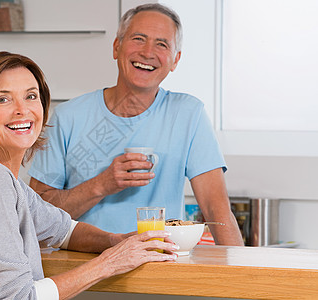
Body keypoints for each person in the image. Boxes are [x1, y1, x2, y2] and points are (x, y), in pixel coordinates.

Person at [0, 51, 179, 300]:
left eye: (31, 96)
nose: (22, 110)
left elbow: (63, 230)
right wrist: (110, 263)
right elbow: (20, 297)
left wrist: (116, 241)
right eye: (3, 99)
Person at [28, 3, 244, 246]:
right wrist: (102, 184)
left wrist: (243, 278)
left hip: (159, 268)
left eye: (162, 44)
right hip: (83, 270)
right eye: (138, 39)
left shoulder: (189, 115)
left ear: (175, 60)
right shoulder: (68, 116)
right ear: (116, 47)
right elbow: (36, 218)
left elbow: (218, 212)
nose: (147, 52)